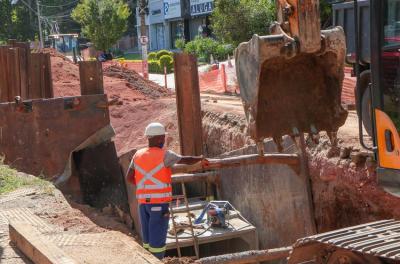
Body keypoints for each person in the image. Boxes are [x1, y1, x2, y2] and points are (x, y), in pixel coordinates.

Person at [126, 122, 207, 259]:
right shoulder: (165, 155)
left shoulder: (137, 155)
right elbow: (185, 160)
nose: (164, 140)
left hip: (143, 205)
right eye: (163, 138)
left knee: (147, 242)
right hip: (158, 205)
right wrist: (200, 158)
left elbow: (129, 177)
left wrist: (145, 187)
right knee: (157, 244)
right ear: (159, 139)